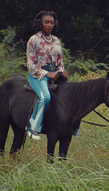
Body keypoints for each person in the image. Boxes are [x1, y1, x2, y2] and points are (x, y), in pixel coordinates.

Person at [26, 10, 68, 140]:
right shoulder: (34, 40)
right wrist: (47, 74)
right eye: (46, 22)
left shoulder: (56, 40)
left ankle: (71, 128)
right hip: (38, 75)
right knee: (45, 97)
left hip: (55, 74)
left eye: (52, 22)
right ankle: (33, 127)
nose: (49, 25)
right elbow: (31, 64)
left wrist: (61, 71)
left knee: (71, 95)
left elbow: (60, 61)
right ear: (40, 23)